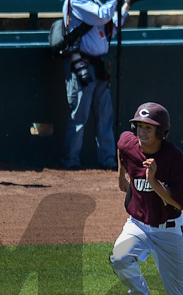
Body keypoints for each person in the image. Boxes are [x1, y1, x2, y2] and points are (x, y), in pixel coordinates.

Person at [110, 102, 183, 295]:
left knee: (180, 293)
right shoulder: (129, 143)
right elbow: (122, 149)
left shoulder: (173, 158)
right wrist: (121, 176)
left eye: (149, 128)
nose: (142, 132)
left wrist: (154, 182)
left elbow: (180, 202)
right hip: (137, 225)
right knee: (119, 257)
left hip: (168, 231)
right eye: (140, 126)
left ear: (162, 132)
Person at [60, 0, 130, 170]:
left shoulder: (95, 3)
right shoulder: (77, 2)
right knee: (79, 116)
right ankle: (71, 159)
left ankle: (108, 159)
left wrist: (126, 6)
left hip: (99, 65)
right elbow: (101, 16)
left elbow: (110, 27)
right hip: (82, 65)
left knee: (105, 115)